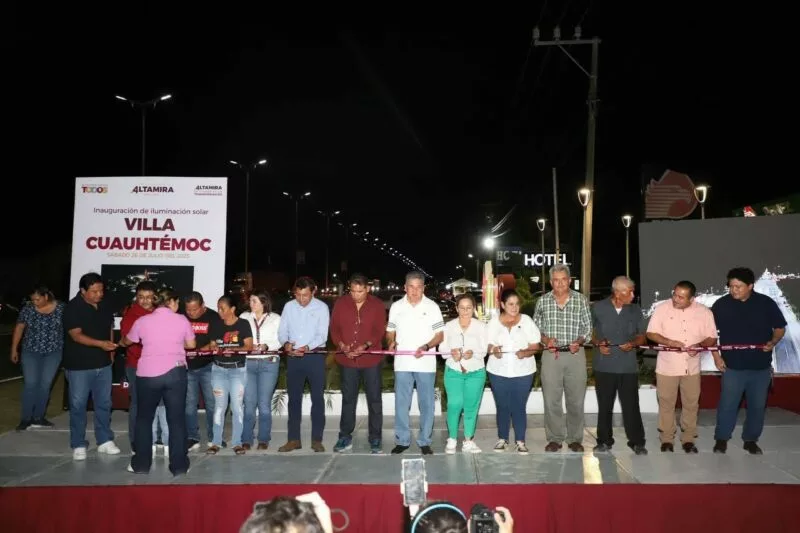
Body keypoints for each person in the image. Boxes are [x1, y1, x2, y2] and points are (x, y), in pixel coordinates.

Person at [119, 287, 195, 475]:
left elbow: (128, 341)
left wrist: (121, 343)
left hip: (147, 375)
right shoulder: (181, 320)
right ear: (171, 302)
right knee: (176, 419)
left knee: (144, 419)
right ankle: (179, 466)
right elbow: (191, 345)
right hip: (175, 373)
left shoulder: (142, 321)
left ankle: (141, 465)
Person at [711, 267, 787, 455]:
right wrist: (716, 357)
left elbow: (779, 327)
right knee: (727, 405)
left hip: (760, 367)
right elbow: (709, 334)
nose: (733, 290)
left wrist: (773, 342)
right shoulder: (721, 305)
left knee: (757, 407)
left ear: (750, 286)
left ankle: (751, 440)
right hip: (732, 367)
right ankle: (721, 439)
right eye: (731, 286)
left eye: (738, 286)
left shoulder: (765, 303)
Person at [646, 280, 717, 453]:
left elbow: (712, 338)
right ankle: (666, 439)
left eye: (681, 297)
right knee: (666, 404)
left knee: (691, 404)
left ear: (692, 299)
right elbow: (651, 333)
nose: (675, 299)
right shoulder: (662, 309)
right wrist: (669, 342)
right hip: (667, 366)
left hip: (691, 368)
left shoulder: (704, 312)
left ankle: (688, 439)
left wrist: (699, 345)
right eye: (674, 294)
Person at [533, 264, 592, 453]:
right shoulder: (542, 301)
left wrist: (579, 341)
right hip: (551, 356)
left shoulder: (581, 300)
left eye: (563, 279)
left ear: (570, 280)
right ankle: (555, 438)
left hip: (575, 355)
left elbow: (588, 328)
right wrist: (545, 340)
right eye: (556, 280)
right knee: (552, 400)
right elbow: (535, 329)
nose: (560, 283)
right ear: (551, 282)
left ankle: (575, 438)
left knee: (576, 400)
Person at [62, 272, 120, 460]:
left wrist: (111, 352)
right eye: (94, 291)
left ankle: (104, 440)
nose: (99, 294)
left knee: (104, 403)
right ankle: (78, 443)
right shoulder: (73, 308)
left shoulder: (105, 304)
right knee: (78, 404)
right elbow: (76, 335)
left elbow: (110, 327)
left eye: (101, 290)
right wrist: (101, 344)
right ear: (83, 290)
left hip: (103, 363)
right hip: (79, 364)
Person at [386, 271, 444, 455]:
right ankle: (402, 440)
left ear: (423, 288)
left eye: (419, 287)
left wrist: (426, 346)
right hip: (402, 363)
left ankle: (425, 440)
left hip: (425, 364)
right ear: (405, 287)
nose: (415, 291)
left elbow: (440, 335)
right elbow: (390, 331)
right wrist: (391, 342)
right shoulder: (396, 307)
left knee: (426, 404)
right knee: (401, 404)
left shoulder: (432, 307)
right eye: (411, 287)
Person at [591, 276, 648, 455]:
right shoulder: (598, 308)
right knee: (605, 405)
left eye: (633, 291)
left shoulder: (635, 310)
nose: (633, 295)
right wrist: (598, 343)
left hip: (628, 367)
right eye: (629, 291)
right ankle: (604, 441)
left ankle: (637, 442)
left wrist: (633, 343)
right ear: (617, 292)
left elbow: (642, 336)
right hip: (604, 366)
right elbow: (588, 333)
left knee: (631, 405)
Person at [330, 273, 387, 454]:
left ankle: (375, 438)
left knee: (374, 399)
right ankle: (344, 436)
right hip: (347, 360)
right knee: (348, 399)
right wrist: (342, 346)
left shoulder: (377, 305)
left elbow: (379, 330)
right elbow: (334, 329)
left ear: (367, 289)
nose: (356, 295)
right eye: (353, 291)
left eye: (360, 291)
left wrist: (365, 346)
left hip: (371, 360)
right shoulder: (341, 303)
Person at [277, 277, 331, 453]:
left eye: (305, 295)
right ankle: (293, 439)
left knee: (317, 399)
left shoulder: (322, 308)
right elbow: (282, 331)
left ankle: (317, 440)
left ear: (313, 291)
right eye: (298, 295)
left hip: (314, 356)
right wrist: (286, 343)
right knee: (294, 399)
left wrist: (307, 347)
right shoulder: (288, 307)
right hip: (293, 358)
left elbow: (322, 335)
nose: (301, 299)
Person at [486, 289, 541, 454]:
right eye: (510, 304)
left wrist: (526, 353)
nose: (514, 307)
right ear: (502, 305)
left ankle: (520, 441)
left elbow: (536, 346)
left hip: (524, 372)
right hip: (497, 372)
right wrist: (494, 350)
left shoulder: (527, 321)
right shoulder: (493, 323)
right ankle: (502, 439)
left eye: (517, 304)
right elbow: (487, 345)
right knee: (502, 405)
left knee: (519, 406)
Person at [440, 292, 489, 454]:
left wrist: (473, 353)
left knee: (471, 406)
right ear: (456, 308)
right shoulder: (448, 326)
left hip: (476, 372)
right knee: (454, 404)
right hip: (453, 371)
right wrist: (451, 352)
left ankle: (468, 440)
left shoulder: (481, 326)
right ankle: (452, 438)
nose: (465, 311)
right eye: (462, 307)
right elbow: (442, 349)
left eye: (469, 308)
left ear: (474, 308)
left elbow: (484, 350)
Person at [10, 284, 64, 431]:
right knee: (30, 384)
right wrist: (14, 349)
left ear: (46, 296)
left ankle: (39, 417)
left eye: (37, 299)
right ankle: (25, 419)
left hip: (53, 352)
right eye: (32, 299)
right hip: (30, 351)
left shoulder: (61, 308)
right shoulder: (28, 309)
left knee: (45, 384)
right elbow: (19, 328)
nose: (35, 302)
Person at [207, 294, 253, 455]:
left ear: (232, 309)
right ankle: (216, 442)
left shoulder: (243, 324)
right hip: (218, 370)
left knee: (237, 407)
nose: (219, 311)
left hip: (237, 371)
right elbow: (212, 344)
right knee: (219, 407)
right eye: (218, 308)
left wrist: (232, 349)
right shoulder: (216, 324)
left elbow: (249, 346)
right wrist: (213, 348)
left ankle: (237, 443)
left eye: (222, 308)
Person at [240, 289, 282, 450]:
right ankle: (246, 438)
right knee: (249, 403)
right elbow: (239, 337)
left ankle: (263, 438)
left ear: (263, 302)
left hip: (269, 363)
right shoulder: (244, 317)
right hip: (248, 363)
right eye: (250, 300)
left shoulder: (275, 318)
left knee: (264, 404)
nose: (251, 303)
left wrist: (267, 346)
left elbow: (281, 339)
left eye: (254, 301)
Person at [183, 291, 223, 451]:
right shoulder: (181, 317)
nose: (191, 313)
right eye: (188, 309)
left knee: (212, 403)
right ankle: (192, 437)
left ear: (203, 306)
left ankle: (215, 437)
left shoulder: (213, 317)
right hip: (187, 367)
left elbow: (215, 342)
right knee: (189, 404)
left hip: (208, 366)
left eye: (194, 309)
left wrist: (198, 351)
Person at [119, 280, 156, 452]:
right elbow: (128, 340)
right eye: (141, 297)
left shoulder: (160, 313)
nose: (145, 300)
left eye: (149, 297)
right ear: (136, 297)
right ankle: (135, 440)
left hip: (158, 365)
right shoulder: (131, 315)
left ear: (155, 297)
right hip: (137, 364)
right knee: (137, 403)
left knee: (158, 403)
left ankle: (157, 437)